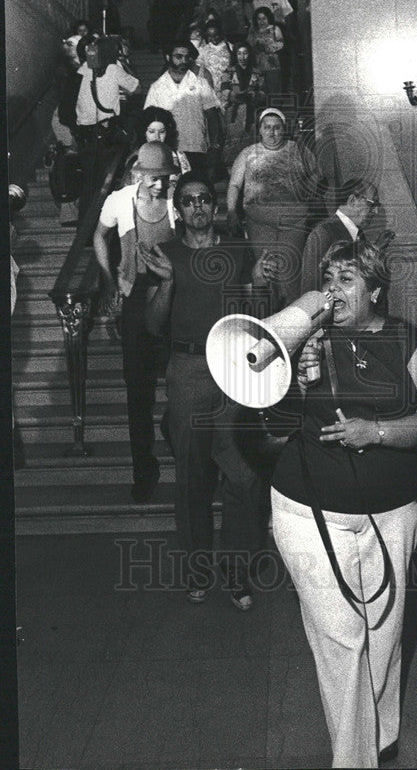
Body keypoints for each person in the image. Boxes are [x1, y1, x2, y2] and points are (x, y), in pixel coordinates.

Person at [271, 240, 417, 768]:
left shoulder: (405, 339)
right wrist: (292, 380)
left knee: (384, 633)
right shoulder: (307, 340)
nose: (332, 289)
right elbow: (271, 425)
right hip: (308, 509)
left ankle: (379, 737)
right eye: (327, 277)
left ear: (375, 290)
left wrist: (378, 431)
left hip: (393, 511)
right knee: (341, 641)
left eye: (346, 279)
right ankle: (354, 760)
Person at [143, 171, 278, 608]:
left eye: (204, 199)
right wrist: (166, 282)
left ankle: (235, 569)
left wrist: (258, 281)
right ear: (177, 210)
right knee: (192, 476)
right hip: (187, 370)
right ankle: (197, 566)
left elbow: (258, 314)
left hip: (235, 368)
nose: (197, 206)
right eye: (188, 201)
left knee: (244, 473)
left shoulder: (238, 251)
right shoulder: (165, 254)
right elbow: (152, 324)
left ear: (214, 207)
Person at [93, 143, 179, 503]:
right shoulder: (119, 200)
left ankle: (179, 442)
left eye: (166, 178)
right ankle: (143, 468)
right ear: (139, 174)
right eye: (155, 178)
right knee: (138, 392)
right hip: (133, 298)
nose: (161, 185)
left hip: (172, 298)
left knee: (180, 382)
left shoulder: (177, 203)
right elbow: (98, 236)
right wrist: (110, 280)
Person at [226, 108, 319, 303]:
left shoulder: (298, 149)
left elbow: (317, 173)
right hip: (259, 221)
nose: (272, 132)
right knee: (265, 269)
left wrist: (310, 187)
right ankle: (267, 316)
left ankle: (292, 318)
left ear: (284, 129)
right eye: (267, 127)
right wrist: (231, 210)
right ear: (260, 130)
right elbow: (235, 184)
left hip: (293, 220)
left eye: (277, 127)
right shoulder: (248, 153)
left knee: (290, 269)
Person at [73, 33, 139, 226]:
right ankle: (107, 227)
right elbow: (137, 88)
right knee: (108, 183)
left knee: (90, 183)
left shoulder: (80, 71)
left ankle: (86, 229)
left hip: (85, 136)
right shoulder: (113, 69)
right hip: (107, 134)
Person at [143, 40, 221, 178]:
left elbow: (213, 117)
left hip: (196, 148)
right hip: (168, 152)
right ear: (168, 58)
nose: (183, 60)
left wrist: (214, 147)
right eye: (178, 56)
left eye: (186, 57)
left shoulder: (201, 83)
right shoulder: (157, 87)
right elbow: (148, 121)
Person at [300, 178, 380, 293]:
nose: (376, 211)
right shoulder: (323, 232)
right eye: (372, 204)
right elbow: (310, 289)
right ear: (352, 200)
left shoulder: (359, 234)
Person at [221, 42, 265, 167]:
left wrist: (254, 96)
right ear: (235, 55)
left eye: (245, 53)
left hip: (252, 111)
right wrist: (234, 96)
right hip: (234, 112)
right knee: (234, 142)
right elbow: (223, 90)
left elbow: (263, 91)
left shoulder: (257, 71)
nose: (242, 56)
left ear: (249, 54)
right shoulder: (229, 71)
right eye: (239, 53)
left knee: (251, 142)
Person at [122, 106, 190, 186]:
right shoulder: (135, 159)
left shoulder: (179, 157)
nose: (157, 137)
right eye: (151, 132)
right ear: (143, 132)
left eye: (161, 132)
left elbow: (188, 185)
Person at [247, 6, 284, 96]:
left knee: (274, 91)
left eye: (264, 18)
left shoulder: (275, 29)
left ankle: (274, 109)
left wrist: (267, 47)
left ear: (269, 18)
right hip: (258, 66)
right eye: (259, 19)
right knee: (260, 92)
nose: (262, 21)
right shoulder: (253, 30)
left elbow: (281, 43)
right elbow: (249, 44)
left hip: (272, 66)